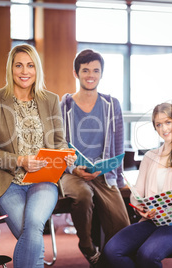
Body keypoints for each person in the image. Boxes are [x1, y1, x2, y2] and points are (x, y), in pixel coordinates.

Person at [0, 44, 76, 268]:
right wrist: (20, 161)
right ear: (10, 68)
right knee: (31, 234)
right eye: (19, 65)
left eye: (30, 65)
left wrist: (64, 155)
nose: (25, 71)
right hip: (8, 183)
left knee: (33, 224)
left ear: (37, 69)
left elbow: (59, 141)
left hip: (43, 179)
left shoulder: (50, 100)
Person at [103, 103, 172, 268]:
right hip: (151, 221)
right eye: (158, 125)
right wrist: (141, 207)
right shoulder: (149, 157)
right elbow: (137, 193)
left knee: (147, 254)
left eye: (168, 122)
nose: (164, 128)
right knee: (111, 250)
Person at [59, 49, 130, 267]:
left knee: (123, 228)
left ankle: (109, 259)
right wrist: (73, 170)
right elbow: (58, 145)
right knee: (82, 195)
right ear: (76, 73)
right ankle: (87, 246)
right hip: (73, 172)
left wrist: (118, 181)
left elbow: (118, 146)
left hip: (103, 172)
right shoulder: (65, 106)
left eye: (96, 70)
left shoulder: (111, 104)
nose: (91, 75)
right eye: (86, 70)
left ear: (101, 74)